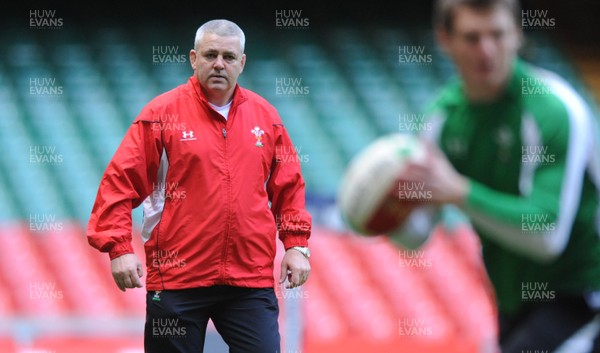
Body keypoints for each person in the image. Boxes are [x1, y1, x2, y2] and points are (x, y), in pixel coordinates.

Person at [86, 19, 312, 353]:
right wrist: (118, 248)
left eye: (229, 56)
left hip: (248, 280)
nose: (219, 63)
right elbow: (119, 182)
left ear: (242, 63)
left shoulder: (266, 118)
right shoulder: (161, 114)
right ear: (193, 58)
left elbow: (288, 187)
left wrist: (296, 244)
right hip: (177, 280)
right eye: (210, 54)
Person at [392, 0, 600, 351]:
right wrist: (387, 208)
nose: (486, 50)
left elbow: (547, 236)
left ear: (517, 34)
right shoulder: (440, 120)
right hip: (511, 301)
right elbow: (415, 235)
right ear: (445, 39)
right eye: (472, 37)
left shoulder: (552, 108)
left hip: (582, 294)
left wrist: (459, 192)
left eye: (498, 35)